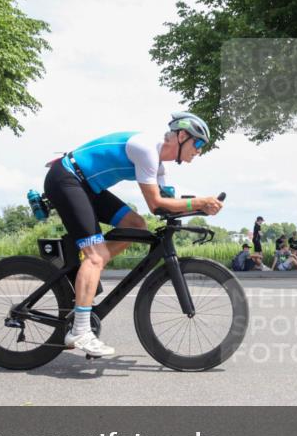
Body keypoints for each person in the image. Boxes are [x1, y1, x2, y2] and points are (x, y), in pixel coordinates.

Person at [44, 112, 221, 356]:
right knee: (96, 256)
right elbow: (155, 203)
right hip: (67, 179)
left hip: (86, 185)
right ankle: (80, 331)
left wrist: (201, 206)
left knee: (136, 225)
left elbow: (166, 201)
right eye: (198, 143)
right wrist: (199, 202)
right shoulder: (147, 150)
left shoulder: (158, 166)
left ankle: (93, 263)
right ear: (181, 136)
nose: (199, 151)